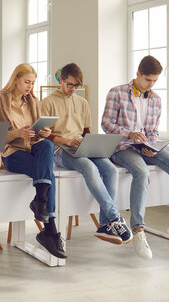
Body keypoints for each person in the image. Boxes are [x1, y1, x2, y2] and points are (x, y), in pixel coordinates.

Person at [101, 55, 169, 260]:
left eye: (154, 81)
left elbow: (153, 131)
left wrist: (151, 145)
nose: (150, 85)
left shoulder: (156, 100)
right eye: (147, 80)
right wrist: (129, 134)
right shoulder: (116, 92)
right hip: (122, 147)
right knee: (142, 172)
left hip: (145, 147)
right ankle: (138, 230)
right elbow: (106, 124)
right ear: (137, 74)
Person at [41, 63, 132, 245]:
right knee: (88, 167)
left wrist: (90, 143)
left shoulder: (82, 103)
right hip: (60, 150)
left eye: (76, 86)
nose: (73, 89)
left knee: (111, 170)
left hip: (81, 146)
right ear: (61, 80)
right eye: (69, 85)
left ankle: (105, 225)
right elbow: (44, 136)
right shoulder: (47, 102)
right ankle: (114, 217)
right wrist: (66, 140)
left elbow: (86, 131)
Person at [0, 63, 66, 259]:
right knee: (48, 174)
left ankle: (40, 201)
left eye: (32, 83)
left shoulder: (33, 101)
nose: (29, 87)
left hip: (33, 150)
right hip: (12, 154)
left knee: (48, 145)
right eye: (26, 82)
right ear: (15, 79)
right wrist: (17, 133)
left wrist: (43, 132)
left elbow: (37, 137)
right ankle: (50, 230)